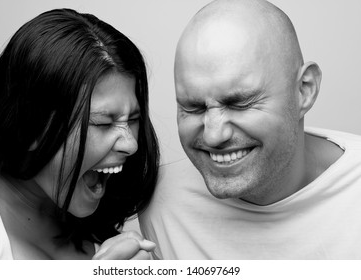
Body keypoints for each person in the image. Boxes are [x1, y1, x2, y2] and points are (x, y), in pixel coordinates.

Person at [140, 0, 361, 259]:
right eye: (193, 107)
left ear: (304, 90)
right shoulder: (158, 200)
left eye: (240, 103)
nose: (213, 135)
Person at [0, 8, 159, 260]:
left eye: (133, 120)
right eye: (103, 123)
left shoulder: (98, 232)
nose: (131, 144)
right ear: (29, 126)